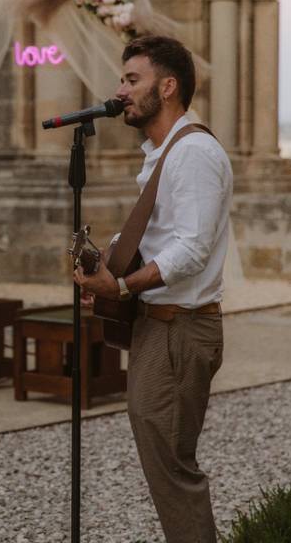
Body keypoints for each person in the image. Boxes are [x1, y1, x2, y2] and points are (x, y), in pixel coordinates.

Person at [74, 35, 233, 542]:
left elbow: (191, 251)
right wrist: (103, 267)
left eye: (131, 79)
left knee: (174, 470)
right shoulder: (166, 153)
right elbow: (156, 234)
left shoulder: (195, 154)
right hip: (157, 328)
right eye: (121, 79)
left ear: (168, 87)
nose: (119, 90)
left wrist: (119, 284)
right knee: (164, 464)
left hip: (179, 331)